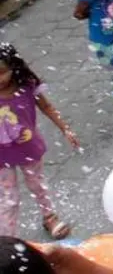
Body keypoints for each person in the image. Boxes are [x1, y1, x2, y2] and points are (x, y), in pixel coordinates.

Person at [0, 43, 78, 240]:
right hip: (1, 156)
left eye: (1, 72)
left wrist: (65, 129)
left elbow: (47, 107)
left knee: (37, 184)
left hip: (28, 148)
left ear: (13, 67)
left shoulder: (26, 86)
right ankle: (7, 239)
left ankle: (49, 216)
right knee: (10, 199)